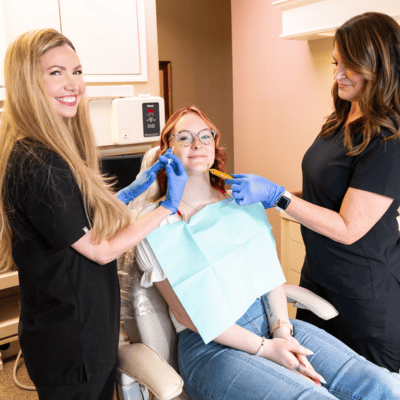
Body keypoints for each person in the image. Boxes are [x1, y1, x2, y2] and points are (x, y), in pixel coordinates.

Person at [127, 106, 400, 400]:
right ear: (166, 150)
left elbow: (269, 277)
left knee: (383, 385)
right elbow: (188, 315)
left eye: (205, 136)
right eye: (184, 137)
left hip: (271, 325)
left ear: (215, 146)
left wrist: (281, 332)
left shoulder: (241, 201)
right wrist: (265, 348)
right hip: (210, 347)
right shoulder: (156, 222)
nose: (197, 144)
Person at [0, 29, 188, 400]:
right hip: (73, 341)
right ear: (27, 81)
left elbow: (73, 220)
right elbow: (100, 250)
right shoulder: (40, 162)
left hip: (65, 327)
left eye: (77, 71)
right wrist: (168, 206)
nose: (73, 84)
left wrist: (128, 193)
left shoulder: (39, 149)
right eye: (55, 72)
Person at [226, 12, 400, 373]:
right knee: (311, 380)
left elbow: (349, 227)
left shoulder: (389, 139)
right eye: (337, 62)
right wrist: (267, 195)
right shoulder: (340, 120)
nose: (337, 75)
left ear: (378, 68)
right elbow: (328, 192)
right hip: (319, 277)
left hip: (362, 297)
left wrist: (278, 197)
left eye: (349, 67)